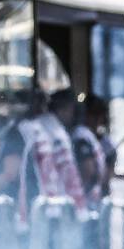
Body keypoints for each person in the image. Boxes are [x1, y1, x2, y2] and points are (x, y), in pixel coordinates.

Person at [14, 88, 87, 224]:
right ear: (62, 109)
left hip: (44, 205)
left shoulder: (36, 128)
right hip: (51, 205)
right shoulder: (53, 132)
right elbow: (70, 175)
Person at [72, 92, 114, 208]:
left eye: (98, 115)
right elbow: (88, 172)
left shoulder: (104, 142)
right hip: (85, 200)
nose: (96, 119)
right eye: (92, 114)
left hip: (95, 199)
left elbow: (106, 174)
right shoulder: (82, 136)